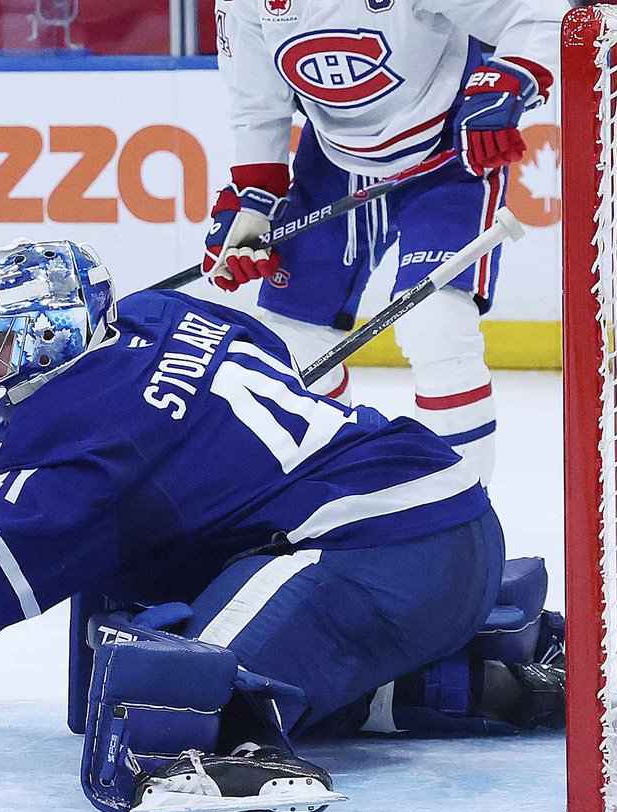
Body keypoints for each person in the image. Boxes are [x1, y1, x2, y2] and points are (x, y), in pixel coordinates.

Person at [0, 239, 562, 812]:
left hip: (380, 547)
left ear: (49, 341)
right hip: (445, 522)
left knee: (160, 705)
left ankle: (231, 748)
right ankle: (457, 678)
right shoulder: (161, 315)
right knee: (147, 596)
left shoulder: (97, 447)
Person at [203, 0, 568, 488]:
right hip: (332, 164)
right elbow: (257, 101)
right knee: (294, 352)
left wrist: (511, 78)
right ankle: (330, 510)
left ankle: (462, 531)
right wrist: (253, 207)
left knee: (436, 327)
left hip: (444, 156)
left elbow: (538, 12)